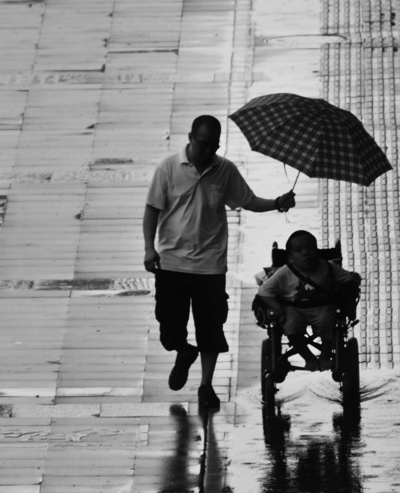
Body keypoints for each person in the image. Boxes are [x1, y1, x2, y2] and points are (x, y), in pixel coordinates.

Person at [143, 115, 295, 412]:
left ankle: (206, 386)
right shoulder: (169, 168)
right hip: (172, 263)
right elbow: (152, 209)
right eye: (203, 145)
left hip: (210, 267)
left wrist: (277, 203)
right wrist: (149, 249)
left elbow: (247, 200)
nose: (207, 151)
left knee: (210, 329)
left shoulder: (224, 170)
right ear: (190, 138)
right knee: (169, 328)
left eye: (213, 146)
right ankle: (183, 351)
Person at [254, 230, 357, 369]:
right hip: (293, 308)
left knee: (328, 321)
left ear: (317, 251)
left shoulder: (328, 267)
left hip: (322, 306)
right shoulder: (284, 272)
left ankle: (325, 354)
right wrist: (278, 309)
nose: (306, 252)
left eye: (310, 248)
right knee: (290, 324)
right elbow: (264, 291)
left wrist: (351, 282)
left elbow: (350, 278)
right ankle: (308, 357)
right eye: (299, 250)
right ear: (290, 258)